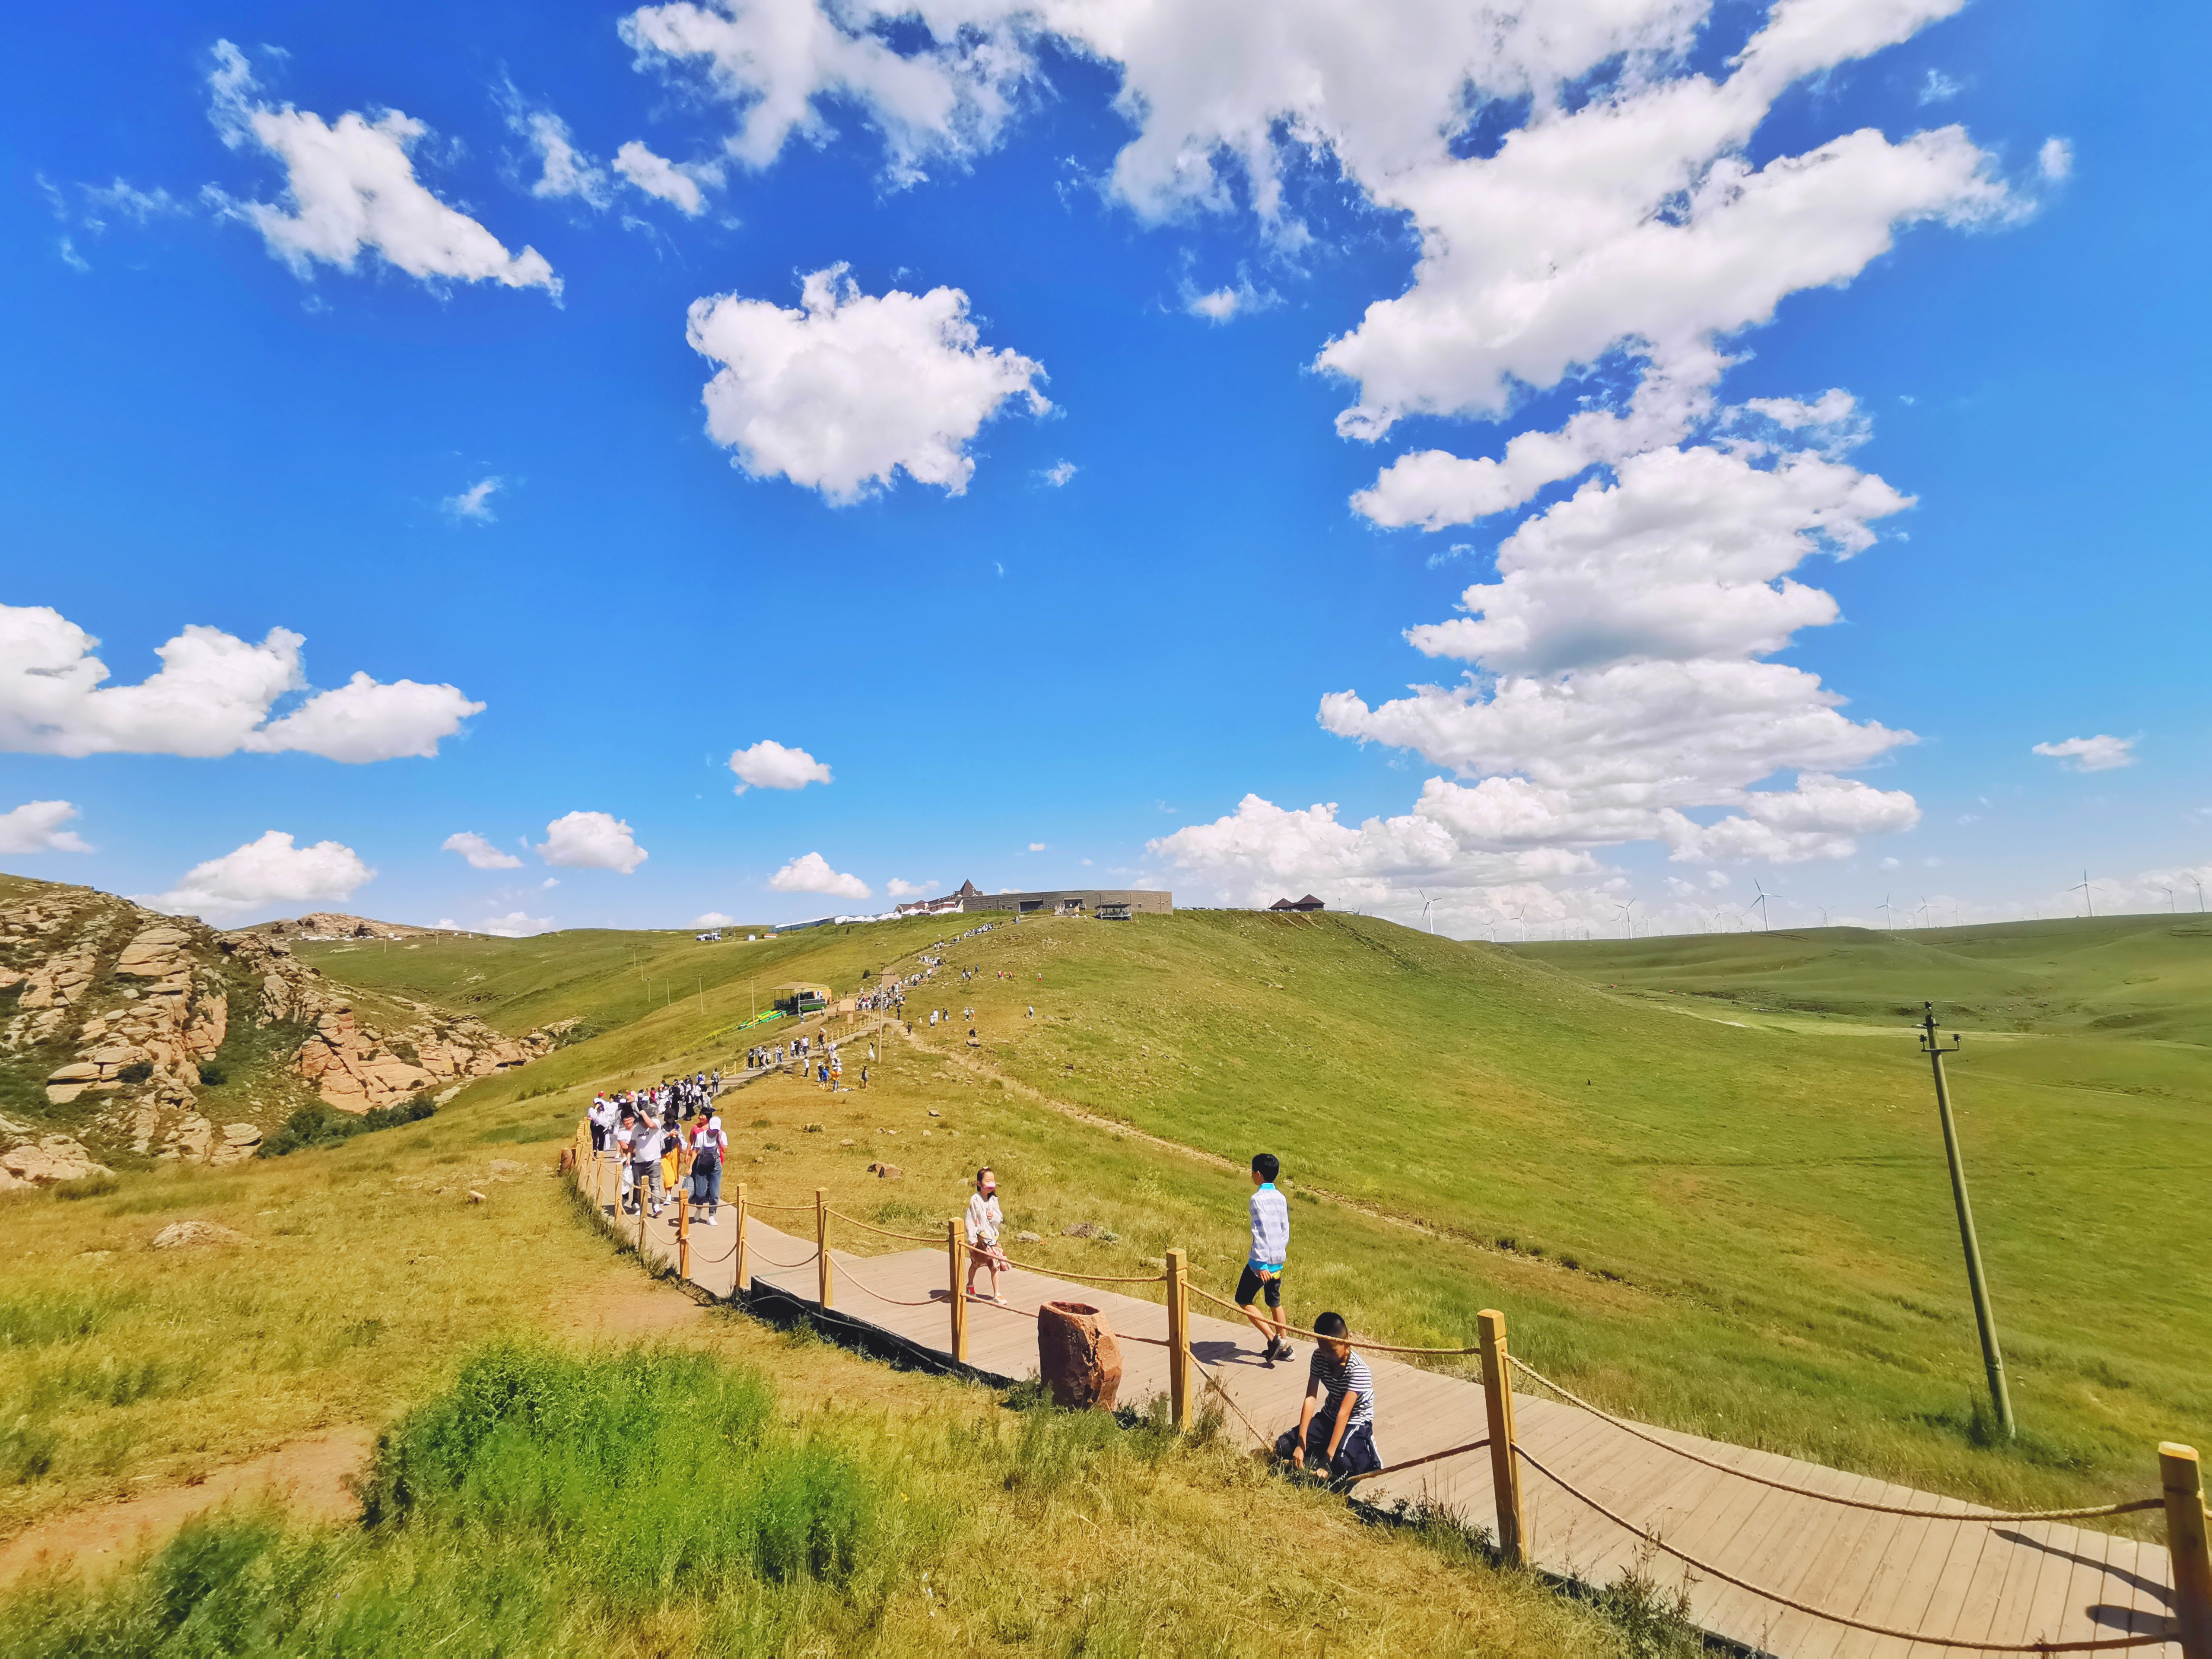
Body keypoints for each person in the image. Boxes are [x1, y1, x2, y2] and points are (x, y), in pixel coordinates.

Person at [1274, 1313, 1381, 1487]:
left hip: (1355, 1421)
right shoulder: (1318, 1358)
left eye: (1331, 1351)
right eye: (1322, 1349)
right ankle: (1323, 1448)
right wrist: (1301, 1443)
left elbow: (1344, 1414)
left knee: (1342, 1463)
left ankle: (1365, 1455)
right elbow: (1311, 1398)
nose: (1326, 1355)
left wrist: (1328, 1459)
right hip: (1329, 1415)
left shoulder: (1359, 1370)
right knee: (1284, 1446)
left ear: (1346, 1341)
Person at [1239, 1152, 1292, 1363]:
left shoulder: (1257, 1199)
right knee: (1274, 1303)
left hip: (1260, 1263)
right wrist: (1279, 1253)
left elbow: (1259, 1232)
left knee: (1243, 1300)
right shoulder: (1281, 1198)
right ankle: (1286, 1346)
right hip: (1278, 1259)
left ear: (1258, 1175)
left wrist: (1261, 1263)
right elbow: (1284, 1229)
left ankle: (1274, 1340)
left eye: (1252, 1171)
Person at [963, 1166, 1008, 1303]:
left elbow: (999, 1218)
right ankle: (970, 1286)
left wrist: (993, 1215)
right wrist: (972, 1239)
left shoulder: (994, 1200)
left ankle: (997, 1294)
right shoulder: (975, 1200)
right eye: (987, 1181)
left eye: (993, 1181)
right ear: (979, 1183)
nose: (991, 1184)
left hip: (992, 1238)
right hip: (980, 1238)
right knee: (976, 1264)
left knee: (994, 1265)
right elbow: (970, 1219)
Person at [689, 1111, 726, 1224]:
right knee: (700, 1193)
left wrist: (719, 1139)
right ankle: (699, 1208)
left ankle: (712, 1215)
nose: (713, 1131)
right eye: (712, 1128)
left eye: (716, 1129)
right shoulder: (701, 1136)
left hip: (715, 1167)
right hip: (702, 1167)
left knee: (715, 1193)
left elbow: (725, 1150)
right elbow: (695, 1152)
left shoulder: (722, 1135)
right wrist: (690, 1167)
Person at [629, 1107, 664, 1219]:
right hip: (639, 1162)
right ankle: (640, 1208)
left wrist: (643, 1112)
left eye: (642, 1120)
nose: (641, 1123)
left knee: (655, 1185)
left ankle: (656, 1206)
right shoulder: (636, 1129)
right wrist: (628, 1156)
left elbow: (650, 1125)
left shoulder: (656, 1123)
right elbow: (632, 1144)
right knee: (639, 1187)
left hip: (654, 1160)